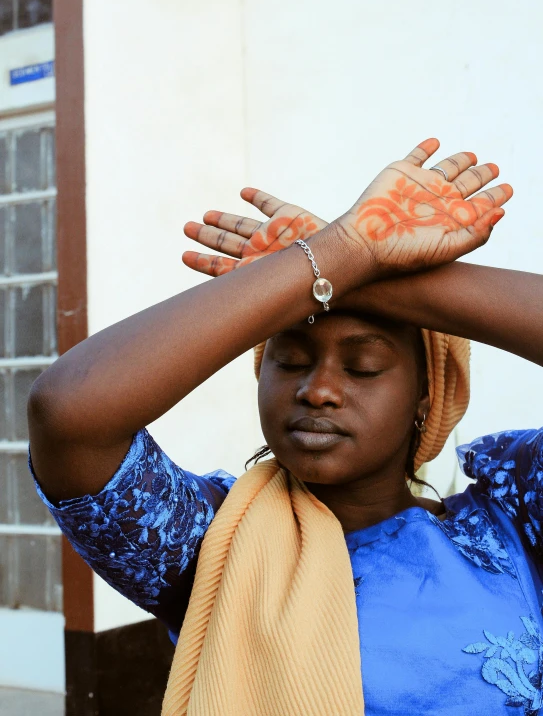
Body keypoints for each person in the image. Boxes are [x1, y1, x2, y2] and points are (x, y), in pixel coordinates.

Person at [27, 138, 543, 715]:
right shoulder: (206, 542)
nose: (317, 389)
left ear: (425, 398)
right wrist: (340, 251)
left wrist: (367, 267)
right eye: (291, 360)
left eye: (363, 366)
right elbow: (68, 414)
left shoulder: (512, 518)